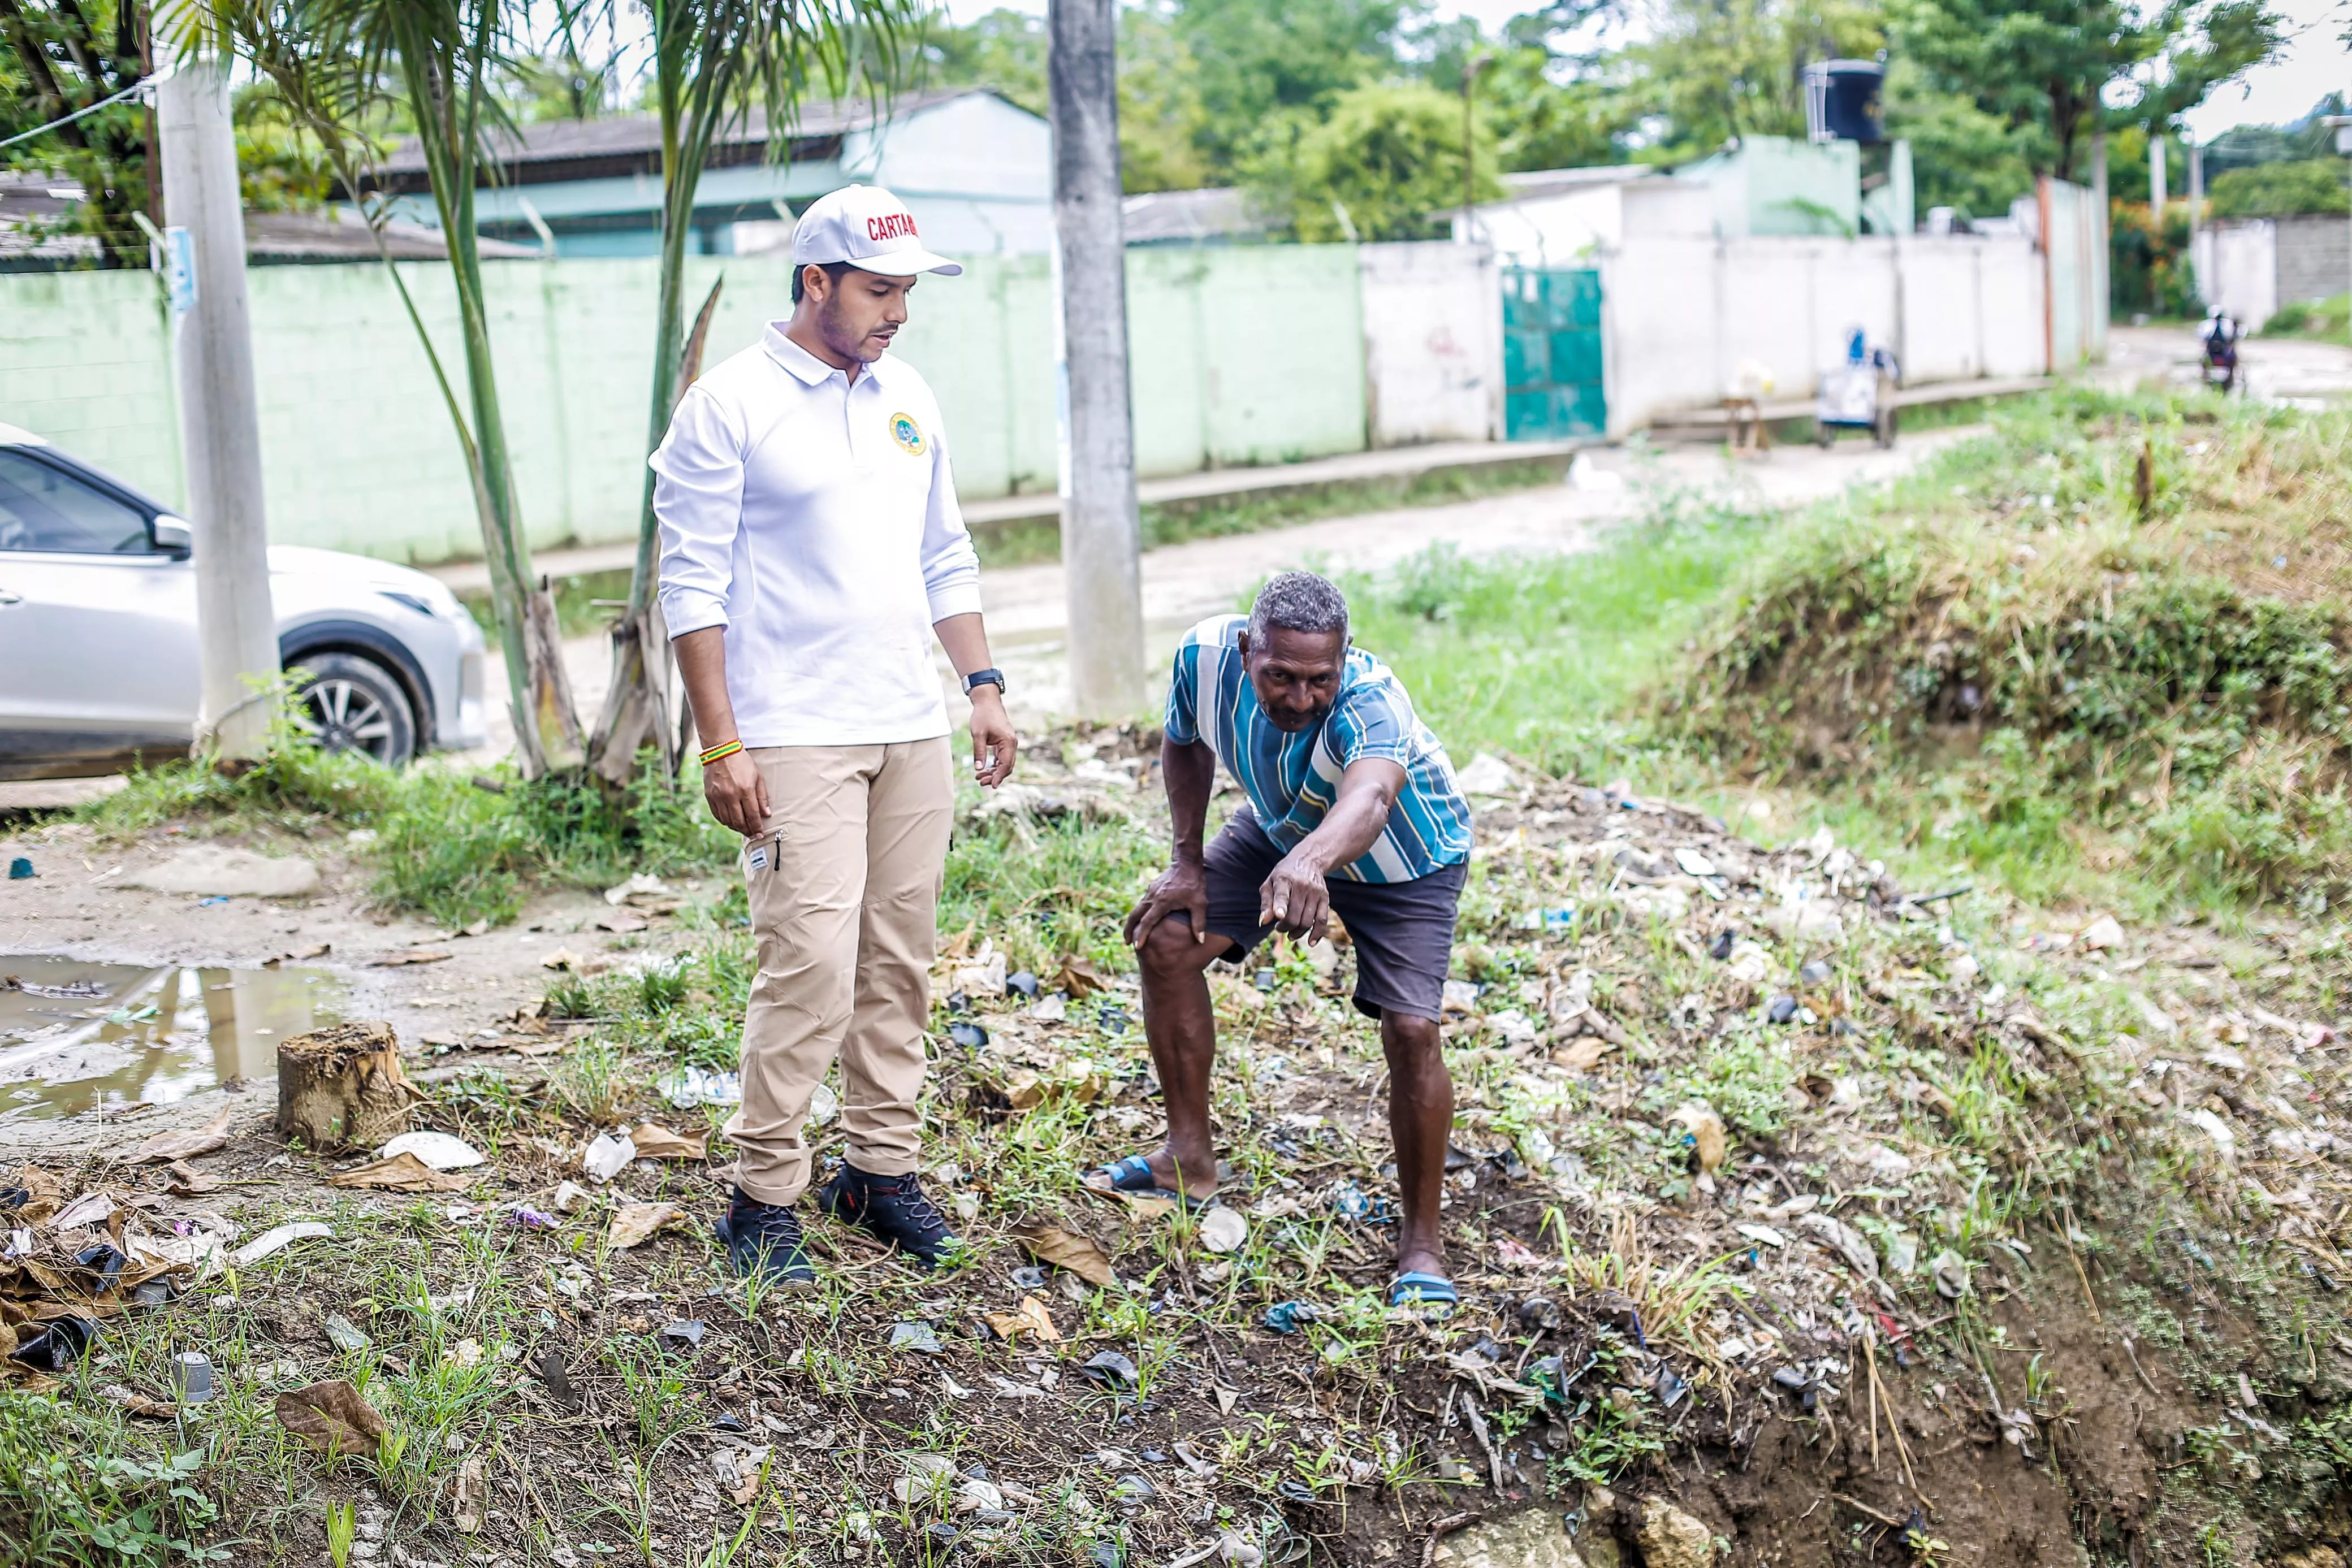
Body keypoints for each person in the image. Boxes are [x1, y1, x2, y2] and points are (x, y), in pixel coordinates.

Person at [653, 183, 1017, 1285]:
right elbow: (691, 585)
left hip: (909, 722)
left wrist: (983, 684)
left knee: (898, 960)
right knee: (808, 964)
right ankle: (764, 1196)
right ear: (815, 281)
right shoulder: (729, 404)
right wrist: (723, 745)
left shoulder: (908, 395)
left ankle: (879, 1169)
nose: (898, 310)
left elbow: (941, 552)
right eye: (878, 288)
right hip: (794, 733)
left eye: (907, 289)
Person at [1105, 571, 1473, 1313]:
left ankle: (1423, 1243)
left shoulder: (1373, 700)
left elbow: (1368, 798)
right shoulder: (1202, 658)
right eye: (1280, 676)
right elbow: (1184, 743)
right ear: (1247, 651)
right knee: (1167, 937)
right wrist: (1187, 860)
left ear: (1344, 664)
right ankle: (1188, 1157)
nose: (1300, 699)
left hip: (1408, 858)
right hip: (1288, 830)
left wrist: (1310, 863)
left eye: (1319, 681)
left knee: (1411, 1027)